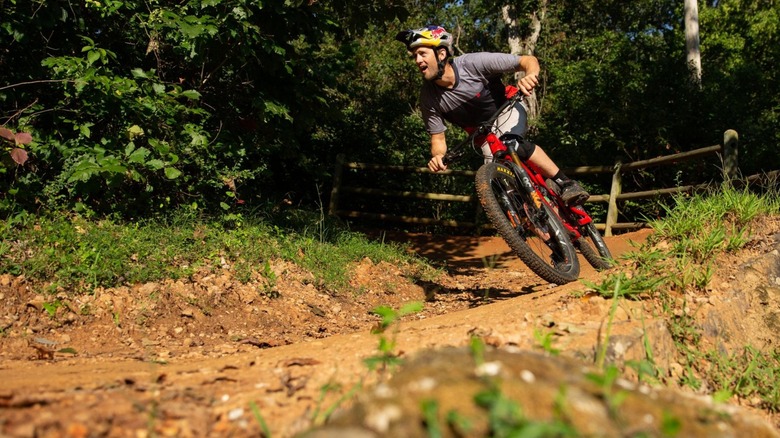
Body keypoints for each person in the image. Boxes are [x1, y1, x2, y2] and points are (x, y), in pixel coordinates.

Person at [395, 25, 589, 205]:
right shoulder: (428, 97)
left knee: (510, 143)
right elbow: (438, 139)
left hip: (507, 110)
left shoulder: (472, 63)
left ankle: (565, 183)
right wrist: (438, 156)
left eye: (422, 53)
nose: (418, 60)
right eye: (414, 56)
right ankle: (544, 228)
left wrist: (530, 75)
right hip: (484, 136)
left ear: (441, 53)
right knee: (500, 183)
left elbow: (527, 61)